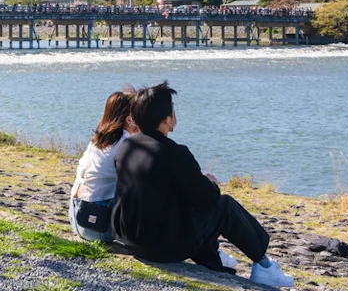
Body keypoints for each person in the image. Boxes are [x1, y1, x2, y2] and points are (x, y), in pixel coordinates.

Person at [112, 81, 294, 287]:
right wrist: (211, 183)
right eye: (172, 109)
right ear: (165, 118)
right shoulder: (174, 153)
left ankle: (214, 265)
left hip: (129, 238)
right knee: (225, 206)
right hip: (160, 247)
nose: (175, 114)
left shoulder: (127, 146)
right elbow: (207, 200)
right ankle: (264, 265)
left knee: (190, 212)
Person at [69, 91, 136, 242]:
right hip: (99, 227)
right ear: (130, 118)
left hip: (77, 218)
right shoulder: (126, 143)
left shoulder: (98, 139)